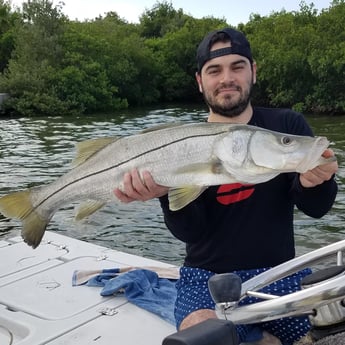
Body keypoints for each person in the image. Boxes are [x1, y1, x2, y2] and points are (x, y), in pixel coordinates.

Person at [114, 28, 338, 345]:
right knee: (204, 335)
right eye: (214, 70)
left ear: (253, 71)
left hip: (280, 273)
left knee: (334, 327)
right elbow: (191, 233)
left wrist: (316, 182)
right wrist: (165, 196)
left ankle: (257, 337)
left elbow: (317, 209)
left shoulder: (286, 126)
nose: (226, 78)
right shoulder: (179, 145)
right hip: (206, 280)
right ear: (200, 81)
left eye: (237, 66)